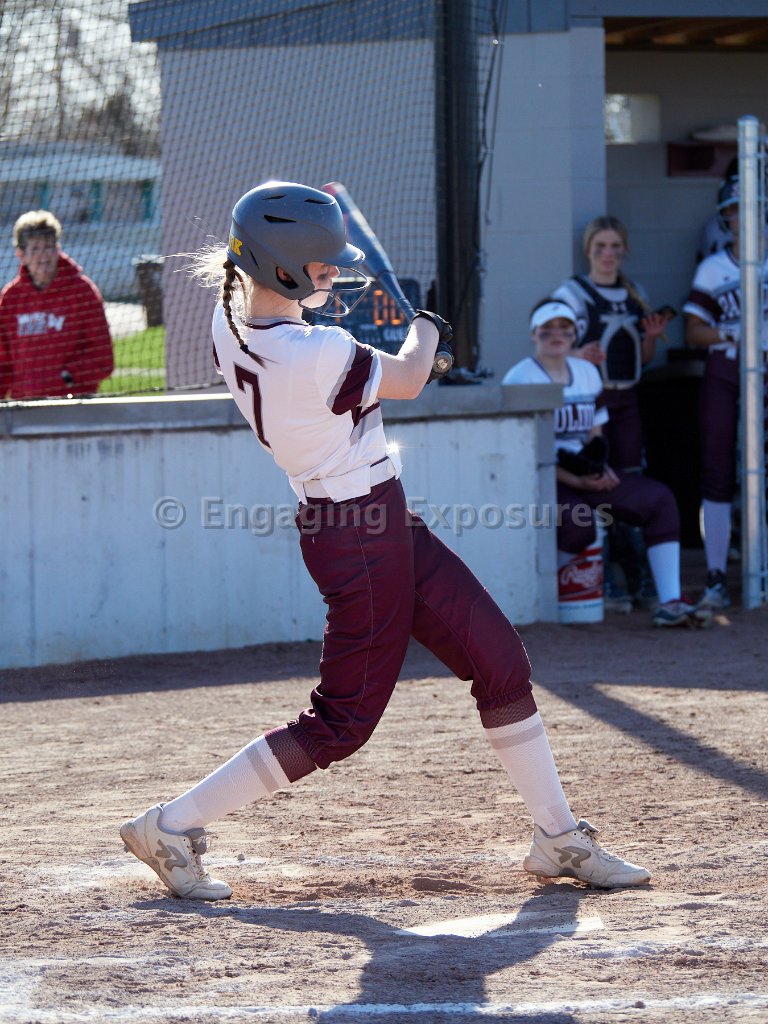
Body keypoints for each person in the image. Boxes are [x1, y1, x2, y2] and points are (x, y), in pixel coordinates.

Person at [120, 181, 650, 900]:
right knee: (340, 723)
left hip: (376, 521)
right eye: (320, 265)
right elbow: (410, 377)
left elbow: (343, 346)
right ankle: (171, 825)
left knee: (499, 660)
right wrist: (427, 327)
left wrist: (405, 331)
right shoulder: (315, 351)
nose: (332, 275)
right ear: (280, 267)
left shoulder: (230, 319)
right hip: (358, 537)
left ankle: (558, 836)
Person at [502, 299, 712, 630]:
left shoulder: (587, 373)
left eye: (564, 328)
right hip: (544, 479)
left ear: (575, 334)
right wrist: (575, 480)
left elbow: (595, 437)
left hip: (583, 474)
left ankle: (670, 601)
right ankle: (536, 593)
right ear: (533, 334)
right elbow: (523, 452)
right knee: (580, 523)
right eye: (548, 329)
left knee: (659, 500)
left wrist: (599, 470)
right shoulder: (520, 378)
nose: (556, 335)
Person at [551, 216, 675, 611]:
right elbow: (549, 344)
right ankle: (604, 578)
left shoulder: (635, 293)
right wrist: (576, 354)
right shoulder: (572, 293)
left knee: (629, 480)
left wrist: (651, 338)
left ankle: (637, 575)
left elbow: (643, 357)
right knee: (595, 479)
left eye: (615, 247)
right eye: (600, 247)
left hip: (628, 398)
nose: (608, 254)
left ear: (624, 251)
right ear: (588, 251)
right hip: (591, 400)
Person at [683, 174, 768, 609]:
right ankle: (716, 575)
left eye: (750, 208)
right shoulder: (714, 267)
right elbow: (693, 330)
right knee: (717, 467)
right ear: (725, 218)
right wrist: (735, 335)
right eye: (734, 210)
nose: (742, 217)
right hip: (727, 367)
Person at [0, 210, 113, 400]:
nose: (43, 256)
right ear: (21, 255)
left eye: (48, 247)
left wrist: (68, 377)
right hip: (24, 408)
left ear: (58, 249)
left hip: (73, 405)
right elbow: (3, 361)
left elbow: (103, 357)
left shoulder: (81, 291)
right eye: (35, 249)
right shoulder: (12, 298)